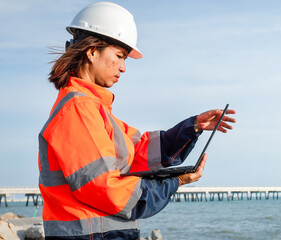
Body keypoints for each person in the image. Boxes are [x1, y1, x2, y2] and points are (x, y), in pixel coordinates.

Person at [38, 2, 236, 239]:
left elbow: (139, 151)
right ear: (91, 51)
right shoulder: (79, 109)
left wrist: (192, 127)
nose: (123, 68)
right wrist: (173, 183)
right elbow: (106, 190)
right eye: (119, 56)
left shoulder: (93, 109)